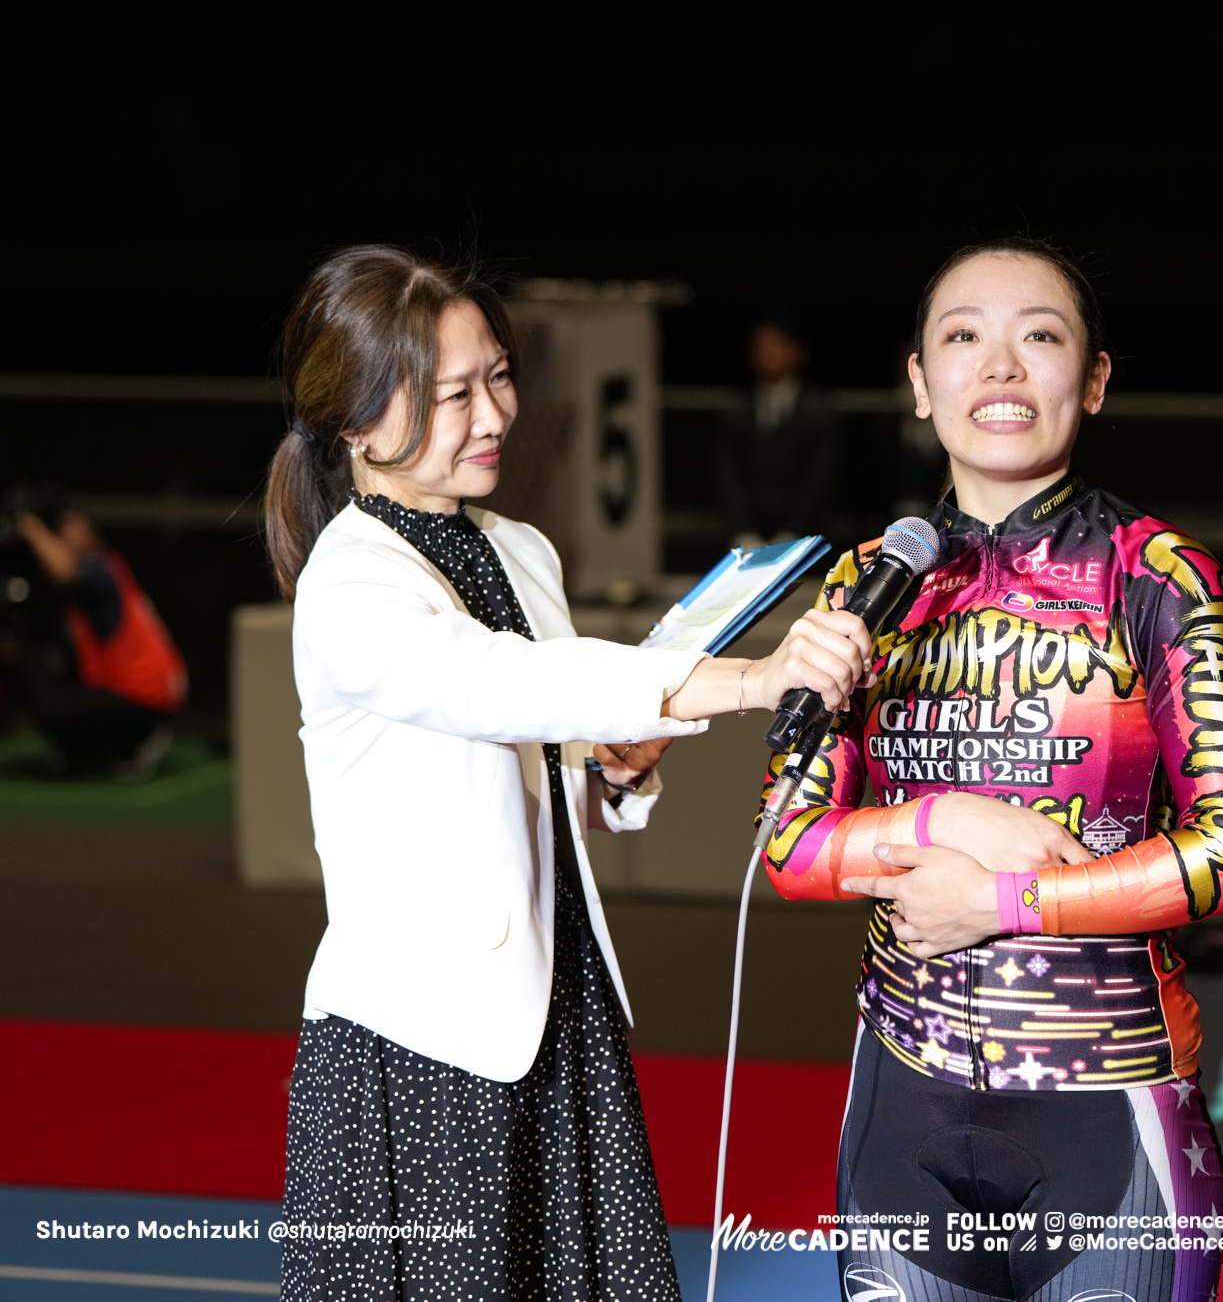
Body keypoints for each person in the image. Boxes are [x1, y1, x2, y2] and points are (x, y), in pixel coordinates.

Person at [265, 245, 872, 1301]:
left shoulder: (520, 549)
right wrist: (752, 677)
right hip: (418, 1046)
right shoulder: (346, 584)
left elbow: (532, 765)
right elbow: (501, 683)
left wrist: (610, 777)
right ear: (359, 423)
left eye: (498, 375)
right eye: (452, 392)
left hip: (557, 1008)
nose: (494, 411)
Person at [758, 238, 1223, 1302]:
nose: (998, 367)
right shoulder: (864, 588)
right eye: (961, 338)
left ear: (1090, 381)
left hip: (1108, 1112)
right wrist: (940, 821)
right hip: (899, 1106)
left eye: (1037, 337)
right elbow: (789, 845)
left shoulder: (1161, 575)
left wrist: (1002, 899)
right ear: (918, 381)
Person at [9, 490, 186, 776]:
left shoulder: (100, 569)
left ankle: (131, 743)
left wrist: (29, 526)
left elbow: (64, 570)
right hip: (140, 694)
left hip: (140, 696)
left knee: (46, 704)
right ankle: (100, 748)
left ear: (92, 534)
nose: (63, 535)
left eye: (71, 527)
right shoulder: (92, 584)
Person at [713, 316, 837, 549]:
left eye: (777, 344)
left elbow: (820, 477)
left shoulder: (817, 410)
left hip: (804, 537)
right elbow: (728, 475)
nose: (768, 352)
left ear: (796, 351)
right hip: (747, 536)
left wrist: (793, 533)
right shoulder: (738, 409)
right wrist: (743, 532)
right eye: (760, 346)